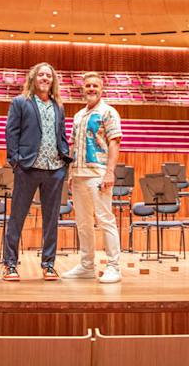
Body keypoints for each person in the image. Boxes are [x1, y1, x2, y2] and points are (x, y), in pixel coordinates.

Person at [2, 62, 71, 282]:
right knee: (17, 218)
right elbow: (11, 132)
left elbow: (61, 134)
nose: (45, 78)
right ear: (33, 78)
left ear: (53, 81)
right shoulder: (21, 102)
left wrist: (64, 156)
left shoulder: (58, 105)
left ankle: (48, 264)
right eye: (41, 75)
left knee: (51, 220)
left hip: (55, 168)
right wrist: (15, 161)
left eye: (48, 76)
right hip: (28, 168)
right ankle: (10, 264)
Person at [62, 72, 123, 284]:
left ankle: (114, 266)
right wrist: (71, 173)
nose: (91, 89)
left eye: (95, 85)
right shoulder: (78, 116)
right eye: (87, 85)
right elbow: (73, 146)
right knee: (83, 223)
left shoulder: (108, 112)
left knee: (105, 220)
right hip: (78, 175)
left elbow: (115, 142)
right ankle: (87, 266)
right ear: (83, 88)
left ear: (101, 88)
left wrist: (109, 172)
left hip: (98, 173)